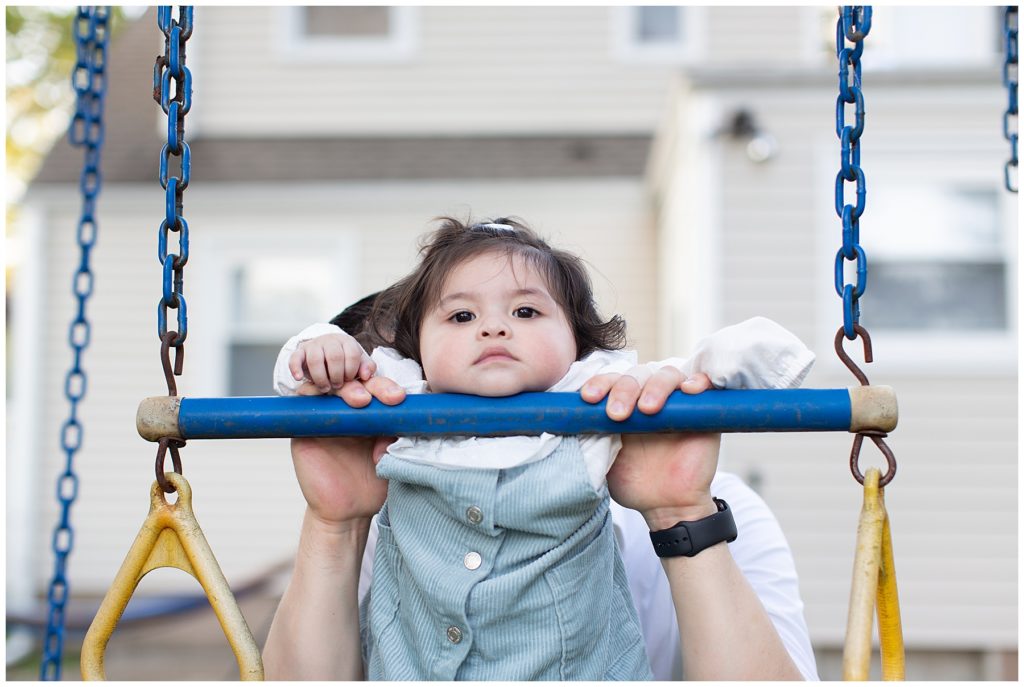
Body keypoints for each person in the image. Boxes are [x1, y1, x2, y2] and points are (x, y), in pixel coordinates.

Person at [262, 217, 819, 680]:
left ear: (577, 351)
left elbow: (700, 365)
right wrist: (333, 525)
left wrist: (681, 513)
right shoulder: (399, 495)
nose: (492, 330)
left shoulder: (700, 489)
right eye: (460, 317)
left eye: (525, 312)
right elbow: (303, 365)